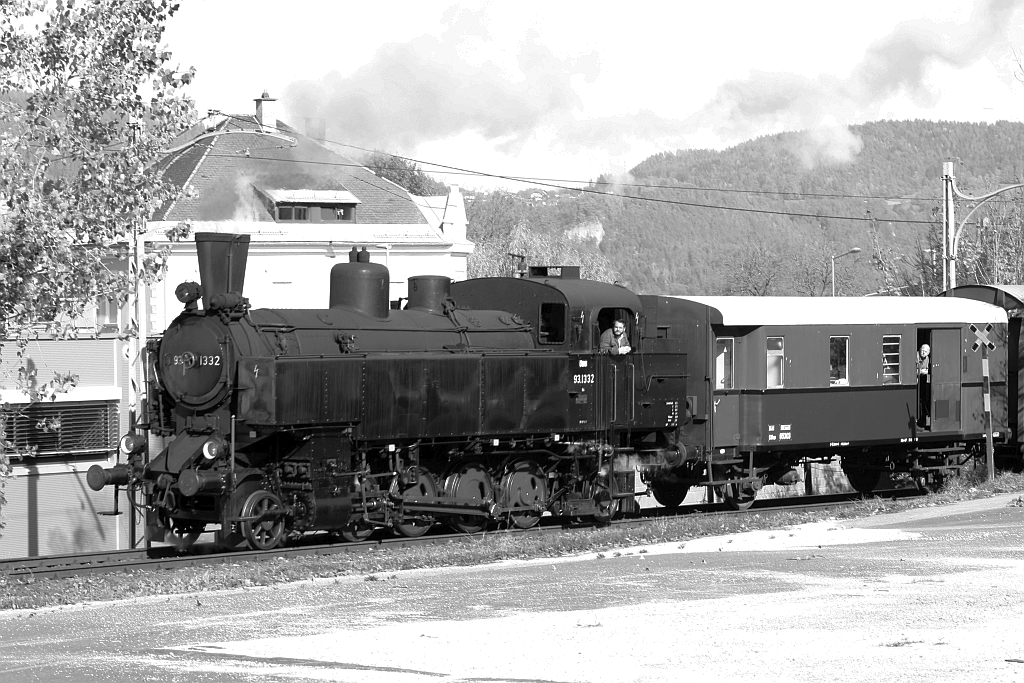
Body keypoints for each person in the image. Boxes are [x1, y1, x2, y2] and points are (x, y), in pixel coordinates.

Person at [917, 343, 931, 428]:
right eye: (922, 350)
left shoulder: (927, 359)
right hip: (916, 380)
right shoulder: (916, 356)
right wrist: (921, 371)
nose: (923, 352)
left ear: (928, 352)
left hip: (923, 379)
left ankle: (923, 420)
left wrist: (923, 371)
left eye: (925, 351)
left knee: (924, 399)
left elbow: (927, 369)